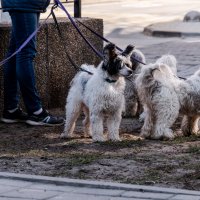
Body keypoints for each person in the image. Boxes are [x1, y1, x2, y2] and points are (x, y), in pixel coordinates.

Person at [1, 0, 64, 126]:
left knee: (16, 52)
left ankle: (11, 109)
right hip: (25, 4)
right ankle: (36, 112)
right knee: (25, 54)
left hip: (24, 4)